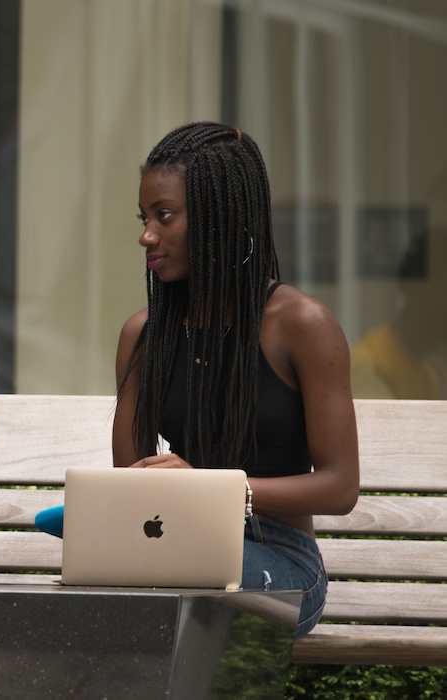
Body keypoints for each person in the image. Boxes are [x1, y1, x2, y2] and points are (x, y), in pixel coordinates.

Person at [112, 121, 359, 637]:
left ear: (217, 217)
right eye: (145, 217)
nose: (146, 235)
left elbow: (340, 487)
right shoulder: (144, 333)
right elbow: (131, 478)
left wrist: (218, 489)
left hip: (280, 557)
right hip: (173, 550)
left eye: (164, 216)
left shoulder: (301, 325)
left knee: (194, 594)